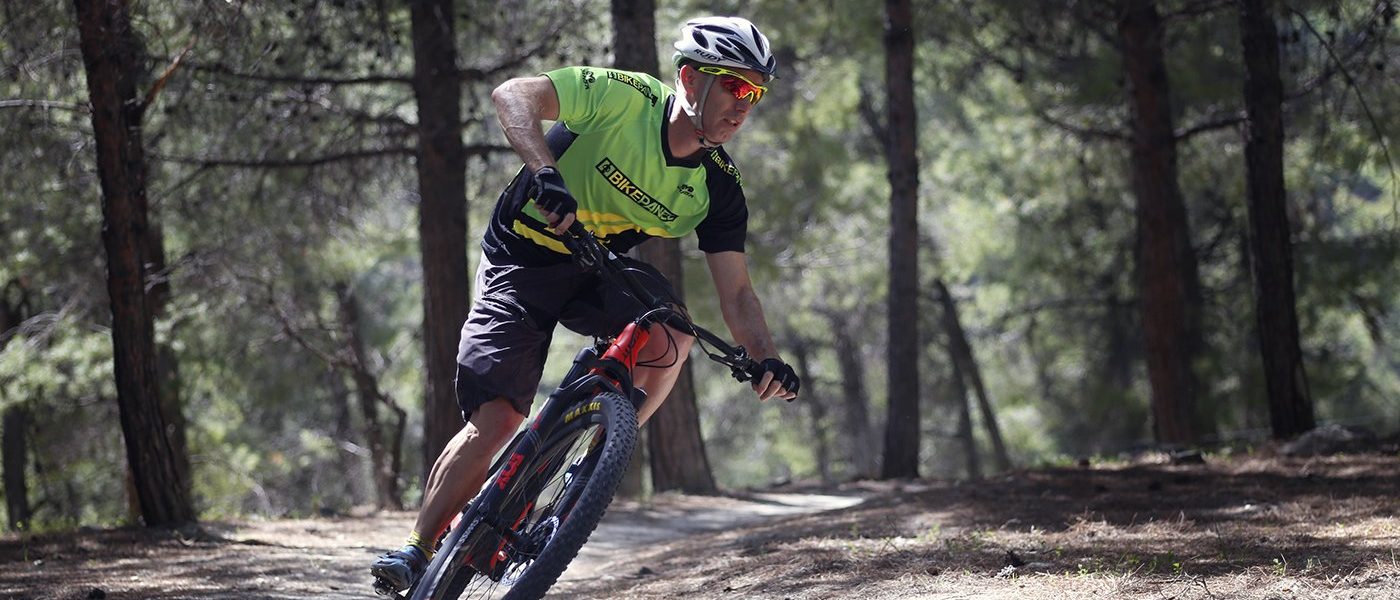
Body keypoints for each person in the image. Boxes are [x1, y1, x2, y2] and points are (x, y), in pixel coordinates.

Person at [370, 16, 800, 593]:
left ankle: (597, 451)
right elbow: (513, 95)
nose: (744, 106)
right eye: (735, 86)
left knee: (673, 333)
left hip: (593, 266)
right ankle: (418, 547)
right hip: (520, 257)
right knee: (498, 420)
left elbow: (738, 291)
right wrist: (544, 173)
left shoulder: (718, 186)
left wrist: (765, 356)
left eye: (756, 93)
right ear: (689, 80)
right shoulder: (625, 98)